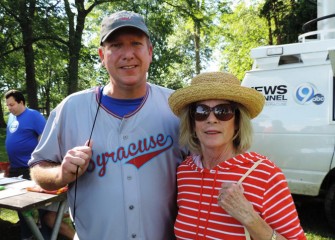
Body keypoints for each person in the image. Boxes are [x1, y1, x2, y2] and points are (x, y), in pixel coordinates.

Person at [28, 10, 185, 240]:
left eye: (135, 43)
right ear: (102, 55)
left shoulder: (177, 107)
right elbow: (38, 167)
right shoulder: (71, 108)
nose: (128, 54)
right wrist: (60, 174)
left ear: (150, 52)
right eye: (116, 45)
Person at [168, 72, 306, 240]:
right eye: (201, 111)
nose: (211, 119)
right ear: (192, 122)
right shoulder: (184, 172)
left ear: (238, 121)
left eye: (223, 111)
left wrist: (251, 218)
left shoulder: (265, 174)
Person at [5, 89, 46, 240]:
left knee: (39, 202)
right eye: (8, 105)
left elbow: (45, 137)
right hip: (15, 168)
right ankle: (26, 233)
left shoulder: (34, 115)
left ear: (21, 102)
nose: (9, 108)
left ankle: (44, 232)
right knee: (18, 202)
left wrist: (41, 159)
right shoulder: (11, 117)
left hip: (31, 168)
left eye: (12, 105)